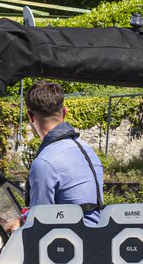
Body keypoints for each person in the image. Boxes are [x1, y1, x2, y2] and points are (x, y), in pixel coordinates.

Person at [22, 80, 104, 223]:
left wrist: (21, 220)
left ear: (30, 117)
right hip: (97, 237)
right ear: (64, 112)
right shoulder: (87, 150)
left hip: (71, 242)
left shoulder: (45, 162)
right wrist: (23, 218)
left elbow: (39, 222)